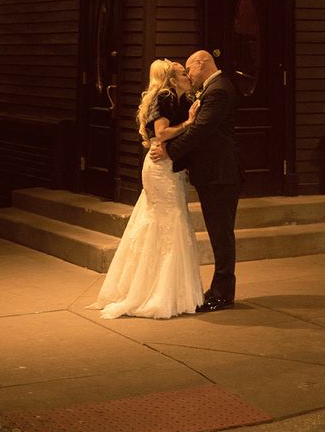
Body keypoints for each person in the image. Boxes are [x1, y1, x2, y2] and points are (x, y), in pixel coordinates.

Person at [90, 58, 204, 319]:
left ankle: (169, 289)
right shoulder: (165, 97)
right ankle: (157, 291)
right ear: (172, 80)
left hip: (169, 166)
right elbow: (161, 133)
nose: (188, 77)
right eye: (182, 74)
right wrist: (189, 123)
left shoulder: (180, 99)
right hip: (160, 169)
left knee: (168, 220)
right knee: (169, 220)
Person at [150, 50, 243, 312]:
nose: (189, 75)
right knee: (218, 232)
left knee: (221, 234)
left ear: (201, 64)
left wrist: (169, 151)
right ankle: (220, 288)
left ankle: (222, 293)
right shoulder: (212, 88)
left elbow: (201, 130)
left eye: (189, 69)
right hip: (213, 173)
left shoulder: (218, 90)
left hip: (220, 174)